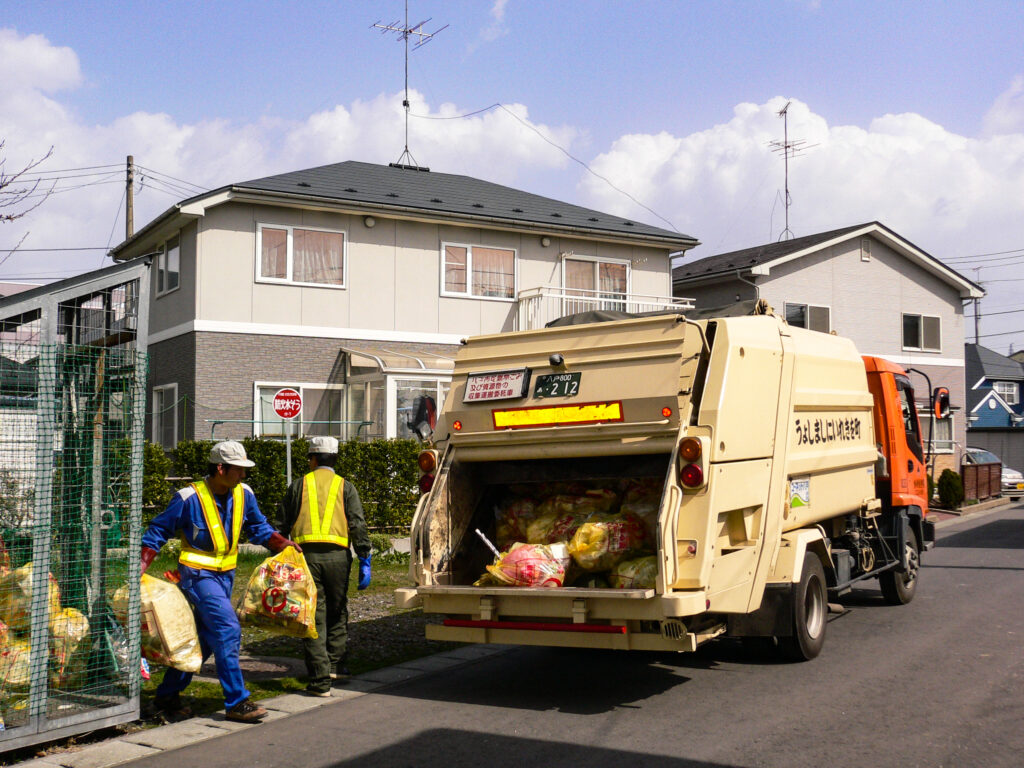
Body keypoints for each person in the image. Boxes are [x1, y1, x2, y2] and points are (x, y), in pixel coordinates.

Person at [140, 440, 300, 723]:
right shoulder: (188, 498)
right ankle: (237, 701)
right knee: (227, 629)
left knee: (205, 641)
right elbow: (158, 530)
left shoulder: (244, 494)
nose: (243, 475)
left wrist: (282, 543)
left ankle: (166, 695)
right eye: (238, 470)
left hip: (224, 578)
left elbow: (258, 527)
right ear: (220, 468)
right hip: (197, 578)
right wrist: (141, 566)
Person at [278, 436, 371, 697]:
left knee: (312, 616)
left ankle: (320, 682)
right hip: (338, 558)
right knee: (338, 610)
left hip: (304, 557)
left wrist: (276, 554)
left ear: (313, 459)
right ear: (335, 459)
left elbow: (281, 525)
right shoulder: (346, 487)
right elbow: (357, 523)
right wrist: (364, 557)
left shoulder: (298, 485)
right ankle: (336, 666)